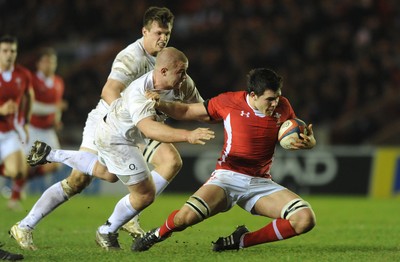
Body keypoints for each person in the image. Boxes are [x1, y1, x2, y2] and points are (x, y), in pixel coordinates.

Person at [10, 6, 203, 251]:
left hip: (137, 124)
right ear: (145, 31)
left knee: (171, 161)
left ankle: (130, 212)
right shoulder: (131, 56)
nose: (163, 38)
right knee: (80, 180)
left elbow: (193, 104)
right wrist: (131, 117)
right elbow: (109, 91)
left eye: (167, 33)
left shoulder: (168, 61)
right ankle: (25, 225)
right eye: (158, 33)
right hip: (109, 118)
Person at [131, 68, 317, 252]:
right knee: (183, 219)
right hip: (227, 177)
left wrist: (309, 142)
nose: (275, 103)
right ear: (253, 95)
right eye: (269, 99)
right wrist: (161, 104)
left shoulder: (283, 106)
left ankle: (241, 241)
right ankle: (157, 234)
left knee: (304, 219)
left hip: (260, 182)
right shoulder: (229, 101)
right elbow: (188, 110)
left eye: (277, 97)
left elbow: (294, 132)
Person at [9, 47, 66, 210]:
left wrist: (57, 120)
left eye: (52, 62)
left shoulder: (58, 82)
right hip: (31, 127)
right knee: (25, 164)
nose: (50, 65)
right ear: (39, 64)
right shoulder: (31, 80)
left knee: (56, 164)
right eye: (46, 61)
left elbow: (57, 108)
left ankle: (23, 182)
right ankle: (14, 198)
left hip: (48, 130)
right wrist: (54, 108)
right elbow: (31, 106)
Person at [0, 35, 34, 209]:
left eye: (12, 51)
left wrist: (26, 121)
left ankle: (13, 197)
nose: (9, 54)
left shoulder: (23, 74)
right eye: (5, 50)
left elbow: (29, 96)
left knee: (19, 171)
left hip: (9, 131)